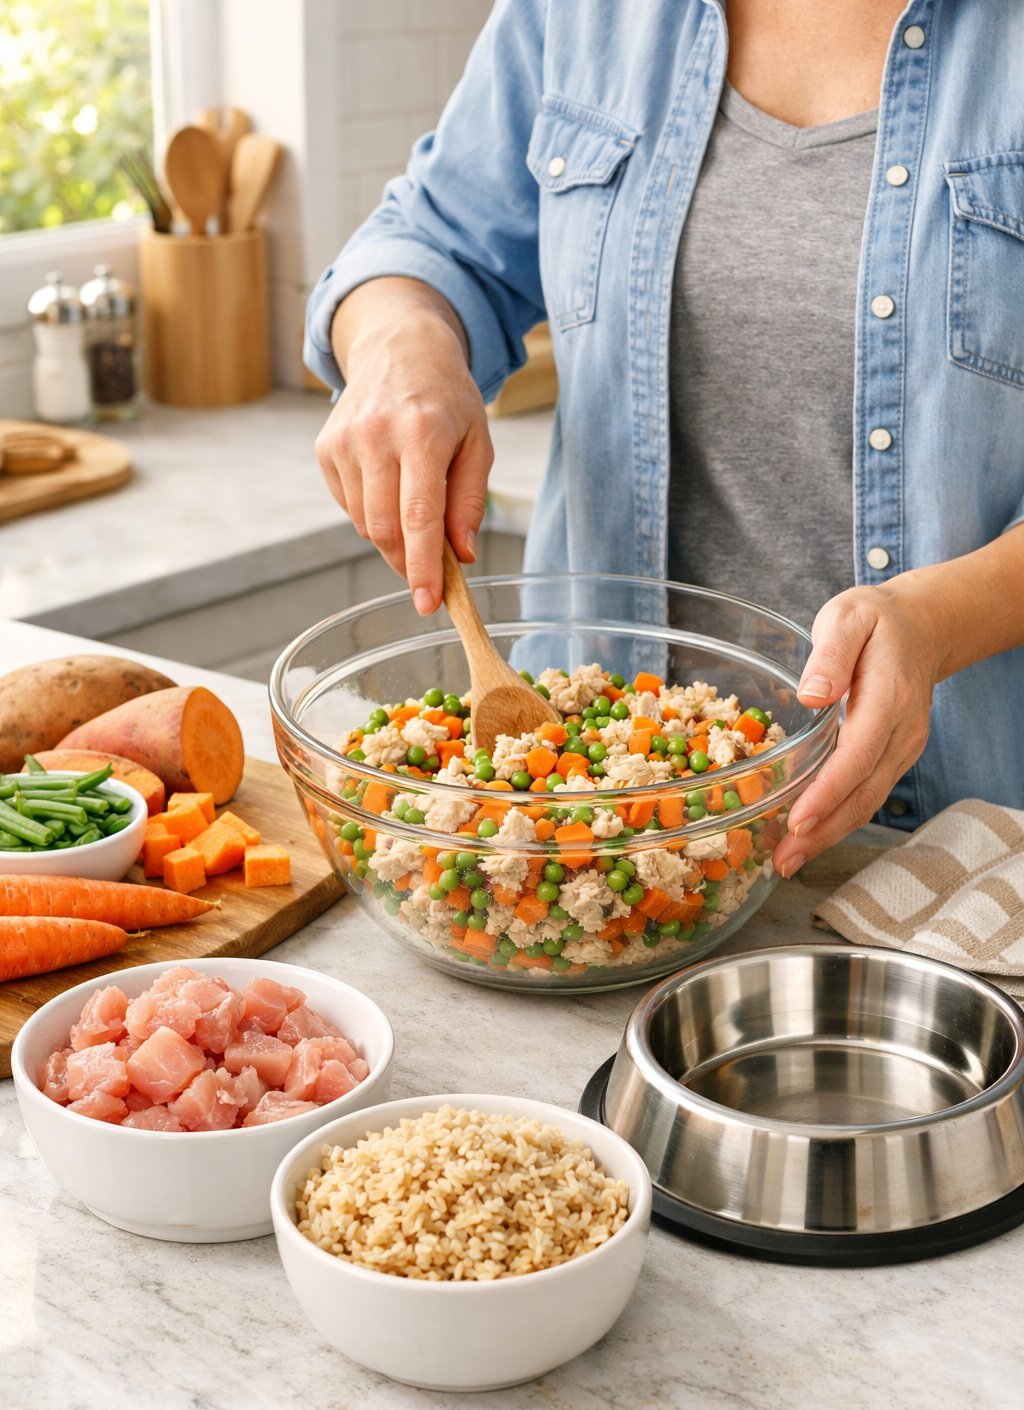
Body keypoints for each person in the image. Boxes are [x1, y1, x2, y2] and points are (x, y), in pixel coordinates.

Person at [305, 0, 1024, 879]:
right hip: (575, 834)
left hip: (962, 857)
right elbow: (430, 242)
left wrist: (942, 621)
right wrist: (398, 345)